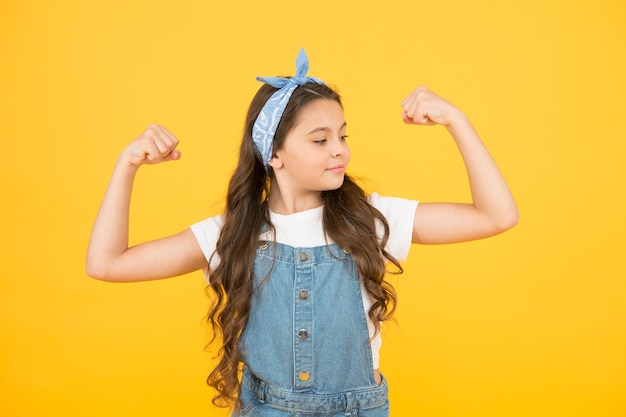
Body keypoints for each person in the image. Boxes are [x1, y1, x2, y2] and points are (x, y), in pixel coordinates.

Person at [86, 49, 518, 416]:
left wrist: (456, 121)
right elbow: (106, 264)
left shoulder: (370, 220)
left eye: (343, 136)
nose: (340, 150)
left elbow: (496, 216)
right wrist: (127, 164)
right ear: (274, 152)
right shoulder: (230, 235)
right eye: (320, 139)